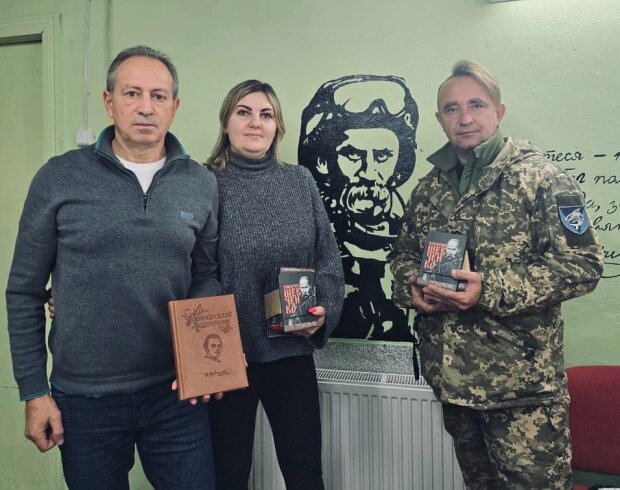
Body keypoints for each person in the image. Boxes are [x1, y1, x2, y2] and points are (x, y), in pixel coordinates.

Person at [5, 46, 220, 489]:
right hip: (85, 398)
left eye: (159, 96)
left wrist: (201, 358)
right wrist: (34, 391)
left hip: (175, 393)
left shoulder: (200, 184)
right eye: (132, 93)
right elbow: (24, 291)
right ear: (109, 102)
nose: (146, 107)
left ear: (174, 107)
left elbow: (206, 275)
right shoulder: (59, 177)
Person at [388, 60, 604, 489]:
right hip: (454, 386)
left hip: (521, 394)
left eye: (476, 105)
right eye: (451, 109)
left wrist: (487, 289)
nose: (464, 118)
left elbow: (584, 265)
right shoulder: (429, 188)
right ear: (439, 119)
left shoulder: (541, 179)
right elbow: (402, 258)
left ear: (498, 112)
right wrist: (412, 288)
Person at [206, 79, 345, 490]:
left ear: (277, 127)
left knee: (305, 475)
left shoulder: (300, 181)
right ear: (226, 123)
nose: (255, 122)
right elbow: (189, 266)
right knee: (228, 476)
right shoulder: (204, 183)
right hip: (227, 358)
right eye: (244, 112)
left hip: (291, 351)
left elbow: (327, 259)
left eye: (266, 114)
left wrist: (322, 315)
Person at [298, 74, 418, 341]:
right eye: (353, 154)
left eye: (383, 156)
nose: (369, 172)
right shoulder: (305, 229)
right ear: (323, 161)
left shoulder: (414, 227)